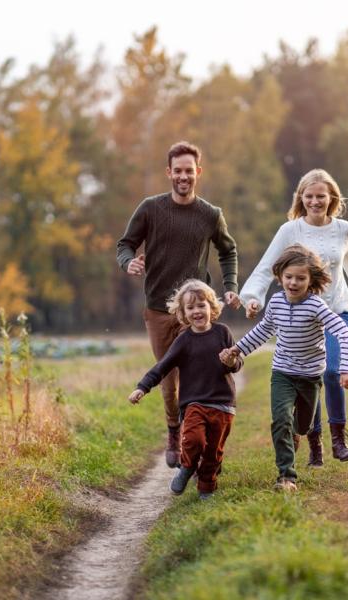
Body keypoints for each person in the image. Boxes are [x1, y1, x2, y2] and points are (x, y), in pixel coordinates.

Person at [239, 169, 348, 467]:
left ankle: (339, 439)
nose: (315, 201)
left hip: (337, 309)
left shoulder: (344, 229)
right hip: (303, 313)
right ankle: (315, 443)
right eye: (310, 196)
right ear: (301, 198)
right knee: (309, 375)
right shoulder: (290, 230)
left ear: (332, 198)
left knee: (331, 371)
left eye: (321, 196)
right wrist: (253, 298)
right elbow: (268, 266)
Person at [117, 141, 241, 468]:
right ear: (168, 172)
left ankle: (191, 433)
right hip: (158, 308)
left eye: (189, 171)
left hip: (194, 311)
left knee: (196, 376)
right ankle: (174, 428)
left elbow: (228, 251)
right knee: (169, 378)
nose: (183, 176)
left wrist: (230, 287)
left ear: (198, 172)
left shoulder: (211, 215)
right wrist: (128, 261)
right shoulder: (150, 209)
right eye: (178, 171)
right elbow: (125, 244)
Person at [220, 244, 348, 492]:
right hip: (282, 372)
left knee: (301, 426)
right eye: (289, 277)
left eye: (300, 278)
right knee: (281, 420)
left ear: (311, 279)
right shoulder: (276, 301)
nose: (293, 282)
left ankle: (297, 436)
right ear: (280, 276)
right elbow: (263, 330)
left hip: (310, 376)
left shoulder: (316, 306)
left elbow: (343, 334)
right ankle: (286, 476)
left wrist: (346, 368)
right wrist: (237, 349)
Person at [128, 280, 243, 500]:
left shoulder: (223, 332)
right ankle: (187, 467)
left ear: (212, 307)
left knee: (213, 451)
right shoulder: (184, 340)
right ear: (182, 313)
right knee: (194, 441)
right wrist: (142, 387)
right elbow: (162, 367)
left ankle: (206, 488)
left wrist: (231, 363)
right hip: (194, 403)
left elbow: (238, 364)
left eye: (201, 305)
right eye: (190, 308)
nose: (197, 311)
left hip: (223, 404)